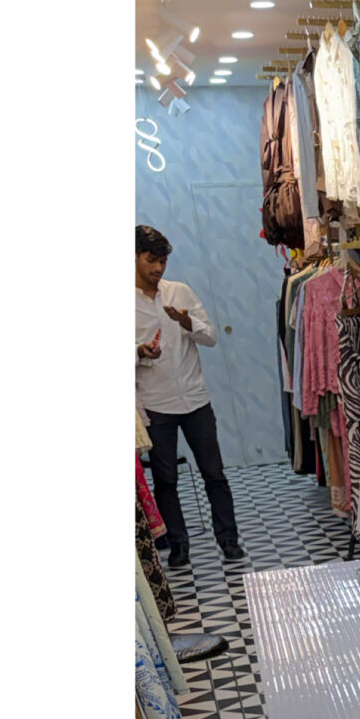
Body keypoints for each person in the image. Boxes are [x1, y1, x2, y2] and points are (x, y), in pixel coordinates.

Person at [136, 223, 244, 567]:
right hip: (156, 404)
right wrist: (139, 351)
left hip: (196, 400)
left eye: (163, 261)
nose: (159, 267)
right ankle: (179, 546)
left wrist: (187, 324)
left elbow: (210, 336)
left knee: (214, 473)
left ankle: (229, 541)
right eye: (152, 260)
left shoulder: (179, 292)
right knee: (166, 480)